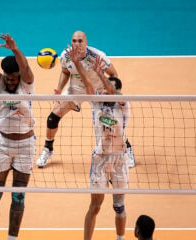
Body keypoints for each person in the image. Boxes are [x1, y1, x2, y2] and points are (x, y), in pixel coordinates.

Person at [36, 30, 136, 168]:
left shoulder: (97, 56)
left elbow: (114, 74)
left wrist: (111, 92)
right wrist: (59, 89)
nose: (77, 44)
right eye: (74, 41)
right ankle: (48, 149)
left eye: (80, 41)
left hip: (98, 92)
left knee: (110, 125)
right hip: (76, 90)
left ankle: (126, 148)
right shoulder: (66, 55)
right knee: (53, 117)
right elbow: (65, 71)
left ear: (86, 42)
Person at [67, 45, 130, 240]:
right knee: (95, 206)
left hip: (119, 159)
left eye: (110, 89)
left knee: (119, 207)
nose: (106, 91)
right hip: (101, 159)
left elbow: (111, 90)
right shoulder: (97, 104)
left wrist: (101, 74)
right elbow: (87, 84)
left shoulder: (124, 104)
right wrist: (77, 63)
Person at [0, 33, 35, 240]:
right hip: (2, 145)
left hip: (25, 146)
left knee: (18, 197)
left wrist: (15, 49)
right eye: (7, 78)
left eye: (14, 78)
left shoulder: (26, 85)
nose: (10, 81)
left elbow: (27, 69)